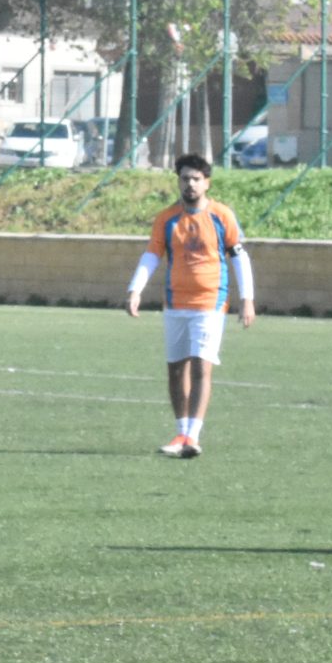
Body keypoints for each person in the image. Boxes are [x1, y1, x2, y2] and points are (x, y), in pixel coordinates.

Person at [124, 154, 255, 457]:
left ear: (207, 183)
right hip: (175, 302)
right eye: (185, 178)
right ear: (178, 182)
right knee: (175, 370)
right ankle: (181, 433)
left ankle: (192, 437)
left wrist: (247, 299)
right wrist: (135, 289)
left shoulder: (221, 216)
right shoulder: (167, 219)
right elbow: (152, 254)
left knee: (200, 366)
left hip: (210, 302)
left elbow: (239, 256)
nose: (190, 184)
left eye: (196, 179)